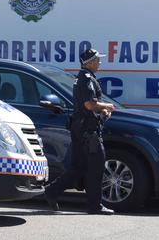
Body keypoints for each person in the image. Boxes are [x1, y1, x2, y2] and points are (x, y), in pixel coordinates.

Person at [44, 48, 116, 215]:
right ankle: (95, 206)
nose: (100, 63)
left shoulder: (83, 78)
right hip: (88, 131)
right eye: (97, 60)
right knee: (96, 166)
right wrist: (107, 107)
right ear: (89, 62)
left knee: (79, 167)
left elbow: (89, 106)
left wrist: (102, 113)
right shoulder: (86, 78)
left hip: (81, 128)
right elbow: (89, 105)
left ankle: (52, 192)